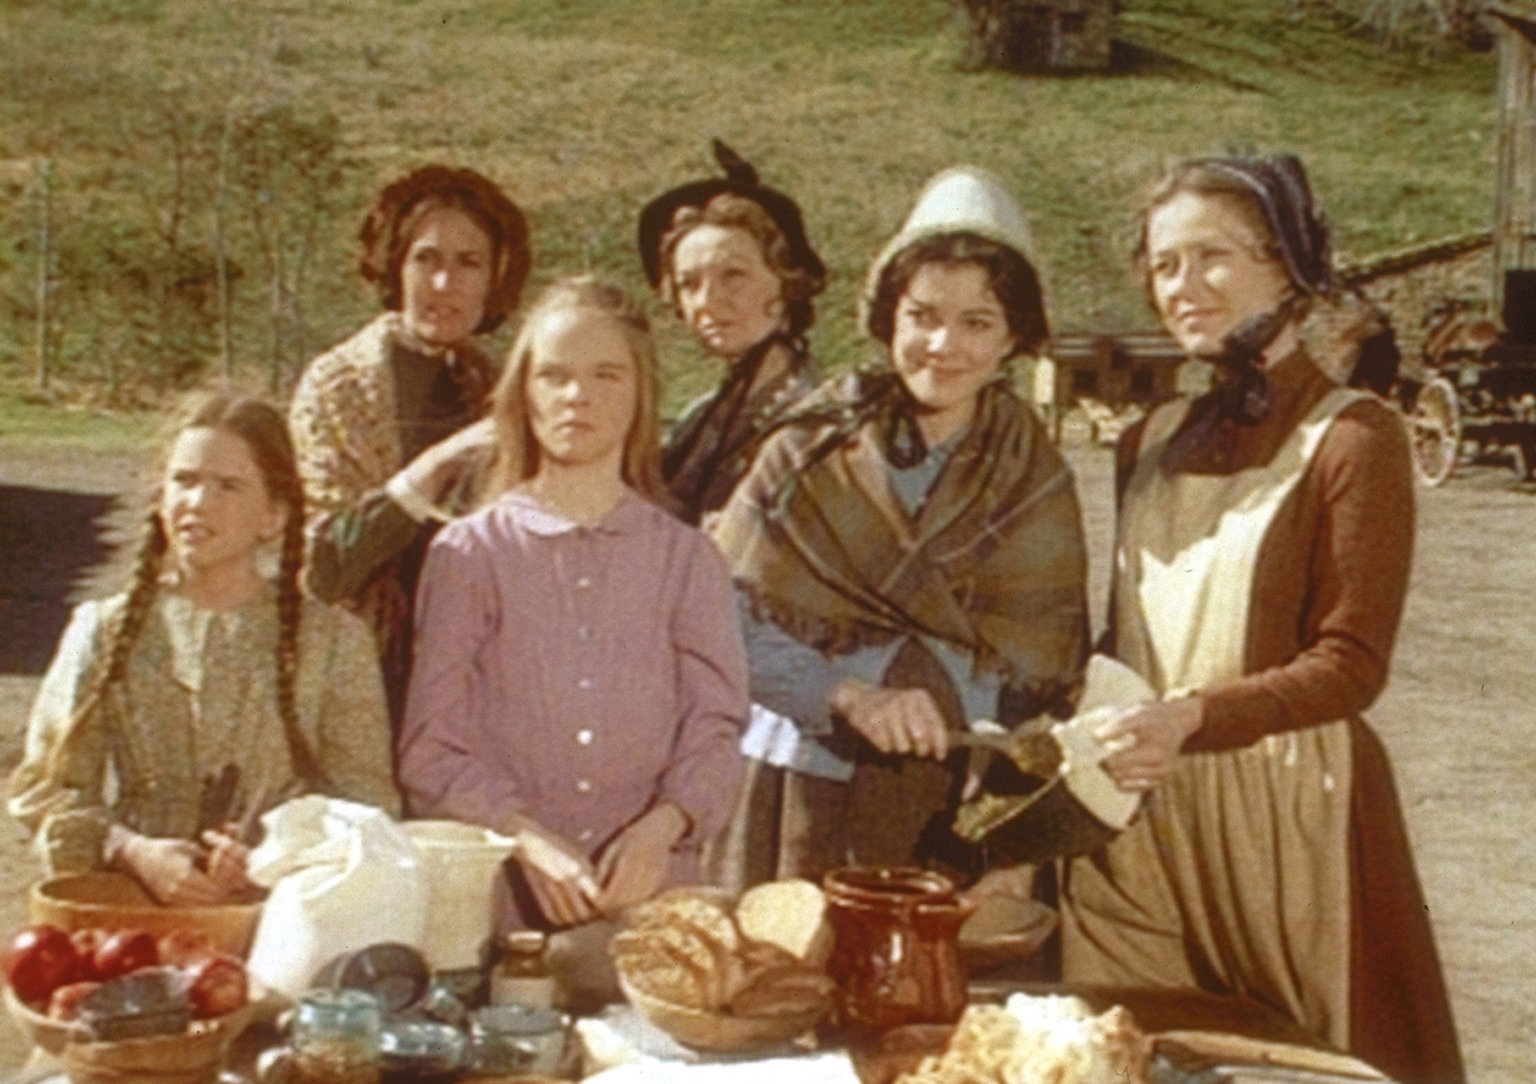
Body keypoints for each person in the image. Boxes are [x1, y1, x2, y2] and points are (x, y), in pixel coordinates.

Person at [1057, 154, 1463, 1084]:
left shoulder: (1354, 436)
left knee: (1305, 1063)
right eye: (1164, 264)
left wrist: (1194, 716)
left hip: (1287, 825)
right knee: (1122, 1053)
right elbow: (1126, 643)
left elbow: (1351, 664)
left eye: (1213, 256)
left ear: (1286, 268)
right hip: (1145, 815)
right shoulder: (1150, 439)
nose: (1182, 286)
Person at [711, 167, 1089, 883]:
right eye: (922, 316)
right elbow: (715, 614)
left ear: (1013, 338)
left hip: (953, 797)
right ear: (889, 316)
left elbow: (1048, 665)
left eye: (976, 322)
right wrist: (846, 694)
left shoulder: (1036, 480)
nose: (942, 345)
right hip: (804, 778)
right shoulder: (808, 447)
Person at [397, 277, 749, 934]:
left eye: (605, 376)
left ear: (640, 394)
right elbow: (431, 747)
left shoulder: (688, 559)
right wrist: (522, 837)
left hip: (651, 906)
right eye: (554, 375)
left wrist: (663, 826)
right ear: (523, 392)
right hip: (502, 910)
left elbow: (717, 730)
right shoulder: (469, 554)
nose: (576, 396)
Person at [7, 395, 398, 906]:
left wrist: (268, 857)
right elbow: (45, 790)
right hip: (131, 915)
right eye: (184, 481)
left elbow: (367, 808)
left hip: (282, 919)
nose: (197, 502)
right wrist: (131, 851)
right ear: (160, 498)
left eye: (228, 486)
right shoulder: (104, 629)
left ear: (273, 516)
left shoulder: (334, 642)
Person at [288, 165, 531, 725]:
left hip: (478, 685)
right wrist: (431, 472)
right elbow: (322, 568)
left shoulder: (500, 391)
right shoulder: (339, 386)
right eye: (426, 259)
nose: (444, 283)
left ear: (496, 277)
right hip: (362, 683)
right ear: (396, 265)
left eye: (468, 263)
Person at [638, 139, 827, 525]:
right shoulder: (701, 417)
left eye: (733, 275)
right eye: (689, 284)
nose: (707, 301)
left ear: (785, 281)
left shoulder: (817, 421)